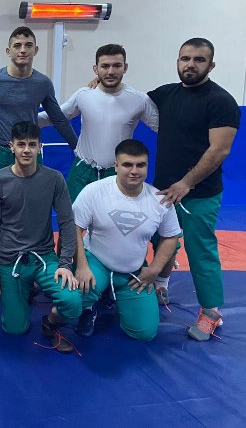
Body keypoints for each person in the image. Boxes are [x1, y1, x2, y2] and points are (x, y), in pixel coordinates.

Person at [0, 26, 77, 294]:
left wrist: (77, 146)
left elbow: (57, 117)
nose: (23, 50)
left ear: (36, 50)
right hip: (0, 152)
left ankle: (30, 268)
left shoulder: (42, 83)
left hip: (30, 153)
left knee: (32, 212)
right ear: (8, 50)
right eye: (17, 45)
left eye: (28, 45)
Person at [148, 37, 240, 341]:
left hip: (200, 192)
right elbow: (128, 98)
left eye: (199, 59)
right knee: (162, 241)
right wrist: (98, 84)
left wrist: (187, 183)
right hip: (164, 190)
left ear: (211, 65)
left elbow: (219, 150)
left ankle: (211, 312)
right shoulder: (166, 94)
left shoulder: (221, 101)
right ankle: (161, 285)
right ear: (177, 61)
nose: (190, 64)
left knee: (200, 249)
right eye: (185, 58)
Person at [0, 122, 81, 353]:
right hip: (10, 260)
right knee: (15, 328)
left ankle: (50, 321)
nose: (26, 150)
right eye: (21, 145)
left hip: (43, 258)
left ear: (39, 147)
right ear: (12, 147)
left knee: (73, 301)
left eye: (31, 144)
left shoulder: (54, 178)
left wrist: (65, 263)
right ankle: (25, 289)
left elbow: (67, 222)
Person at [72, 140, 181, 341]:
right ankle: (89, 307)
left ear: (147, 166)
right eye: (127, 164)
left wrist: (155, 269)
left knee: (145, 332)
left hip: (132, 270)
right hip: (97, 262)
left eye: (141, 165)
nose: (134, 171)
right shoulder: (94, 191)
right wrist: (81, 265)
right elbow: (75, 228)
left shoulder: (159, 200)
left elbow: (171, 236)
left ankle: (114, 295)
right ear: (116, 166)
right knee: (73, 298)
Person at [38, 44, 159, 202]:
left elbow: (165, 129)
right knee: (71, 217)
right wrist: (21, 118)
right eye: (105, 66)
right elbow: (55, 116)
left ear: (125, 67)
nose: (111, 71)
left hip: (116, 174)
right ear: (96, 69)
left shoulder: (139, 100)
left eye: (117, 66)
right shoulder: (83, 95)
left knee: (114, 217)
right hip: (82, 172)